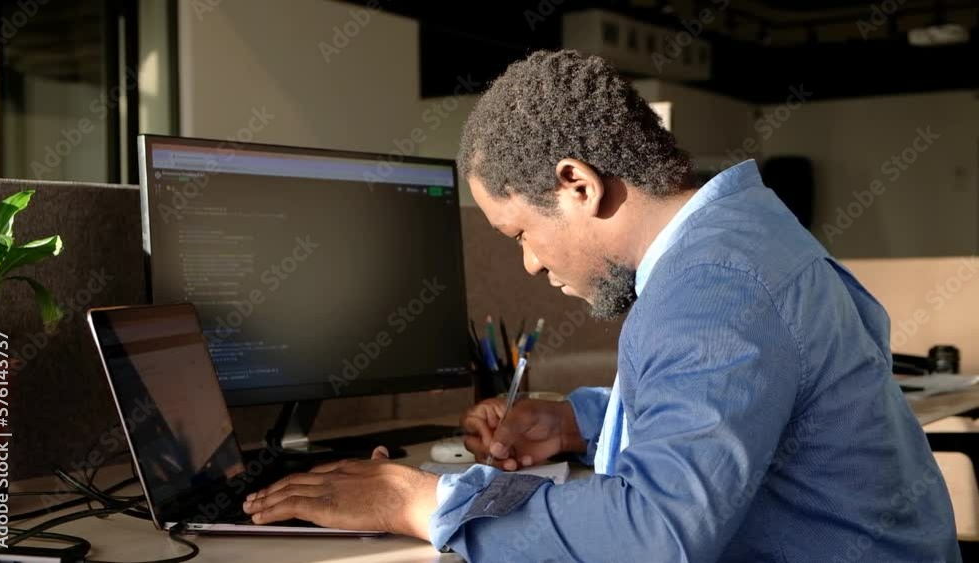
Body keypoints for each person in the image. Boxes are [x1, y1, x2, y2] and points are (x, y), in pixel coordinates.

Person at [242, 49, 961, 562]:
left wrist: (421, 500)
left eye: (521, 231)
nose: (528, 261)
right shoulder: (740, 233)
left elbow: (657, 535)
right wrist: (579, 420)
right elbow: (741, 397)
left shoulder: (715, 284)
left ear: (577, 183)